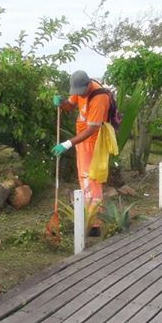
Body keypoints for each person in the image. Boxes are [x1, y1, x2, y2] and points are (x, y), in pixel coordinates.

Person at [52, 70, 111, 237]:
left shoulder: (99, 98)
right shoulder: (81, 89)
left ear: (87, 85)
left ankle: (94, 224)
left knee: (91, 179)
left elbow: (92, 129)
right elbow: (70, 106)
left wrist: (68, 143)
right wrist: (62, 102)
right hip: (82, 141)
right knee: (84, 178)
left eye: (80, 92)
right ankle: (88, 218)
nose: (78, 95)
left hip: (93, 142)